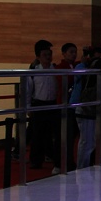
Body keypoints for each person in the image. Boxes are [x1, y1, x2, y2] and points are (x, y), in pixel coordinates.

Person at [25, 40, 61, 169]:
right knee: (37, 134)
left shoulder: (56, 69)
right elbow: (28, 90)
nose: (48, 57)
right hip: (39, 104)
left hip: (52, 104)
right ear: (38, 57)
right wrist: (28, 107)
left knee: (53, 133)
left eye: (49, 54)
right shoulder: (33, 71)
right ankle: (36, 160)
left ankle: (51, 155)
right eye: (45, 54)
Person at [53, 42, 79, 171]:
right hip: (63, 104)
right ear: (64, 53)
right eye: (71, 52)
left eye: (75, 52)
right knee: (63, 136)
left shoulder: (75, 66)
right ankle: (60, 163)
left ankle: (68, 161)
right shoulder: (60, 67)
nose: (74, 54)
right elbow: (65, 80)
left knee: (71, 135)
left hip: (71, 105)